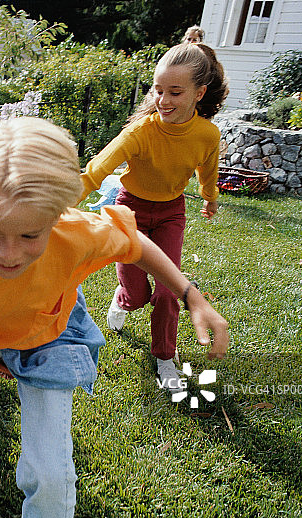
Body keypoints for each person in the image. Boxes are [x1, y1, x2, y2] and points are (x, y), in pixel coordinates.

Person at [0, 117, 229, 518]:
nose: (8, 254)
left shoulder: (76, 233)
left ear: (58, 215)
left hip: (51, 335)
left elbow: (136, 243)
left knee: (50, 473)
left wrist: (191, 295)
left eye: (29, 235)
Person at [80, 43, 228, 393]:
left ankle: (164, 357)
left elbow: (208, 171)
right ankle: (123, 299)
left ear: (199, 93)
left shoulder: (207, 135)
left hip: (170, 213)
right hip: (129, 212)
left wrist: (210, 198)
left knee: (167, 292)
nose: (163, 100)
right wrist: (57, 203)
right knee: (136, 295)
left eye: (175, 92)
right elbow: (96, 171)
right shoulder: (140, 132)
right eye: (158, 90)